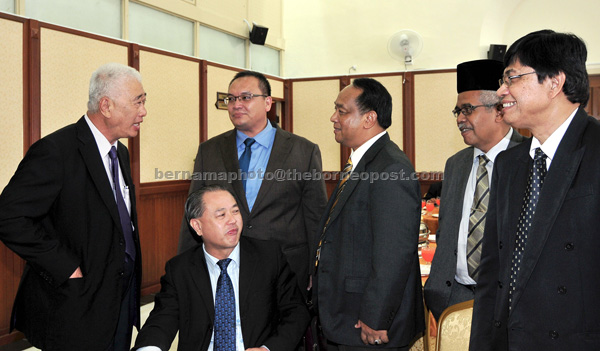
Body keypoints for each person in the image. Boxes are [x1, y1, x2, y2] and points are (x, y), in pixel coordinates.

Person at [0, 63, 146, 350]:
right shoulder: (56, 151)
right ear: (106, 106)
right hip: (76, 303)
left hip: (120, 296)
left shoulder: (122, 153)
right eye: (137, 102)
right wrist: (66, 267)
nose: (143, 112)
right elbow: (8, 216)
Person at [469, 30, 600, 350]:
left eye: (511, 77)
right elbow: (492, 273)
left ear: (554, 81)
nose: (501, 91)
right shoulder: (509, 164)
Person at [177, 71, 327, 297]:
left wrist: (317, 271)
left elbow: (315, 217)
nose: (236, 105)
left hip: (286, 268)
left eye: (246, 97)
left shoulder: (303, 151)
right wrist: (185, 267)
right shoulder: (210, 151)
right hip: (225, 267)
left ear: (268, 102)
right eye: (231, 99)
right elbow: (194, 213)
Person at [313, 78, 424, 350]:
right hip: (344, 316)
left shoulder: (390, 167)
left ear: (369, 118)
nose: (333, 118)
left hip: (366, 325)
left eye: (341, 110)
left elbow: (394, 253)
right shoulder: (361, 161)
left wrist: (375, 317)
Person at [133, 185, 310, 351]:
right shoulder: (180, 269)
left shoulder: (269, 257)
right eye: (221, 215)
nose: (233, 220)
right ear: (197, 226)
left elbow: (296, 312)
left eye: (235, 211)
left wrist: (268, 349)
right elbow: (161, 321)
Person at [424, 59, 525, 321]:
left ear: (499, 110)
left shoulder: (529, 159)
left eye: (467, 109)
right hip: (452, 299)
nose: (459, 119)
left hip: (512, 303)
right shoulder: (456, 164)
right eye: (457, 111)